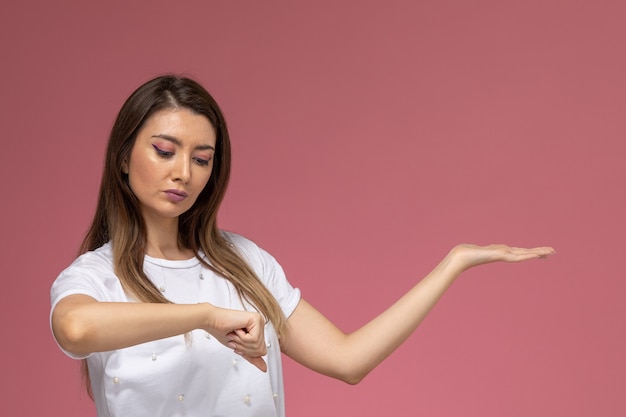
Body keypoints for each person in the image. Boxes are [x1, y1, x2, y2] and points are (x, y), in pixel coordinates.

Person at [50, 75, 555, 417]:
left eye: (202, 159)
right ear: (123, 157)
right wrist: (205, 315)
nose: (183, 172)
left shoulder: (244, 263)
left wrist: (453, 263)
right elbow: (75, 329)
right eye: (164, 151)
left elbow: (348, 360)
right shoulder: (96, 276)